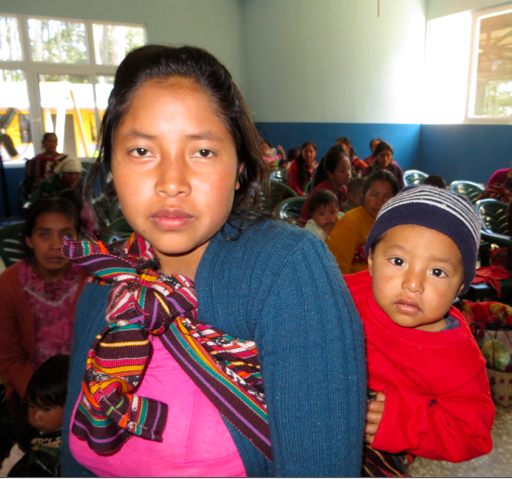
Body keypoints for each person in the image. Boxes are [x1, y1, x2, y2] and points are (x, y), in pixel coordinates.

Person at [60, 45, 366, 477]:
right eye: (142, 151)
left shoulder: (286, 272)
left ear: (241, 165)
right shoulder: (106, 285)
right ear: (111, 162)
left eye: (202, 151)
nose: (171, 183)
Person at [345, 186, 494, 476]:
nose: (413, 284)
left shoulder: (458, 357)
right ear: (372, 261)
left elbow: (473, 434)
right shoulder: (347, 291)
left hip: (376, 451)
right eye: (398, 262)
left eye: (437, 272)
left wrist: (405, 422)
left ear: (460, 288)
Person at [0, 198, 88, 440]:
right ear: (29, 240)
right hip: (32, 394)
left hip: (87, 390)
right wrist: (43, 398)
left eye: (66, 236)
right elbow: (7, 357)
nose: (56, 245)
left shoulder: (92, 280)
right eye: (44, 235)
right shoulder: (8, 285)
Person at [0, 355, 70, 477]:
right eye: (32, 406)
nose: (35, 416)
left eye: (46, 409)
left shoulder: (75, 437)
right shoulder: (31, 432)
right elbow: (15, 456)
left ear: (69, 405)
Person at [327, 170, 398, 275]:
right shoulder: (350, 223)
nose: (379, 201)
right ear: (363, 195)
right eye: (374, 195)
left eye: (387, 196)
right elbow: (338, 272)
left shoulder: (396, 225)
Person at [300, 145, 350, 225]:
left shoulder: (342, 189)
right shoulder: (323, 194)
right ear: (330, 174)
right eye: (343, 171)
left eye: (349, 168)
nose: (348, 174)